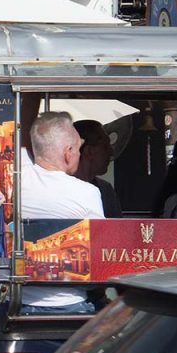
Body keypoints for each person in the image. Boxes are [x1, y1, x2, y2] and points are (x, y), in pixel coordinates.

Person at [20, 111, 105, 314]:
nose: (79, 154)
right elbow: (100, 256)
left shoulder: (13, 180)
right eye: (78, 149)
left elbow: (23, 133)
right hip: (69, 303)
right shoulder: (88, 193)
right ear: (68, 153)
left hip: (14, 301)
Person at [73, 120, 122, 218]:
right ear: (89, 151)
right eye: (105, 146)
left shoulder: (105, 190)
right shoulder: (60, 189)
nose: (111, 152)